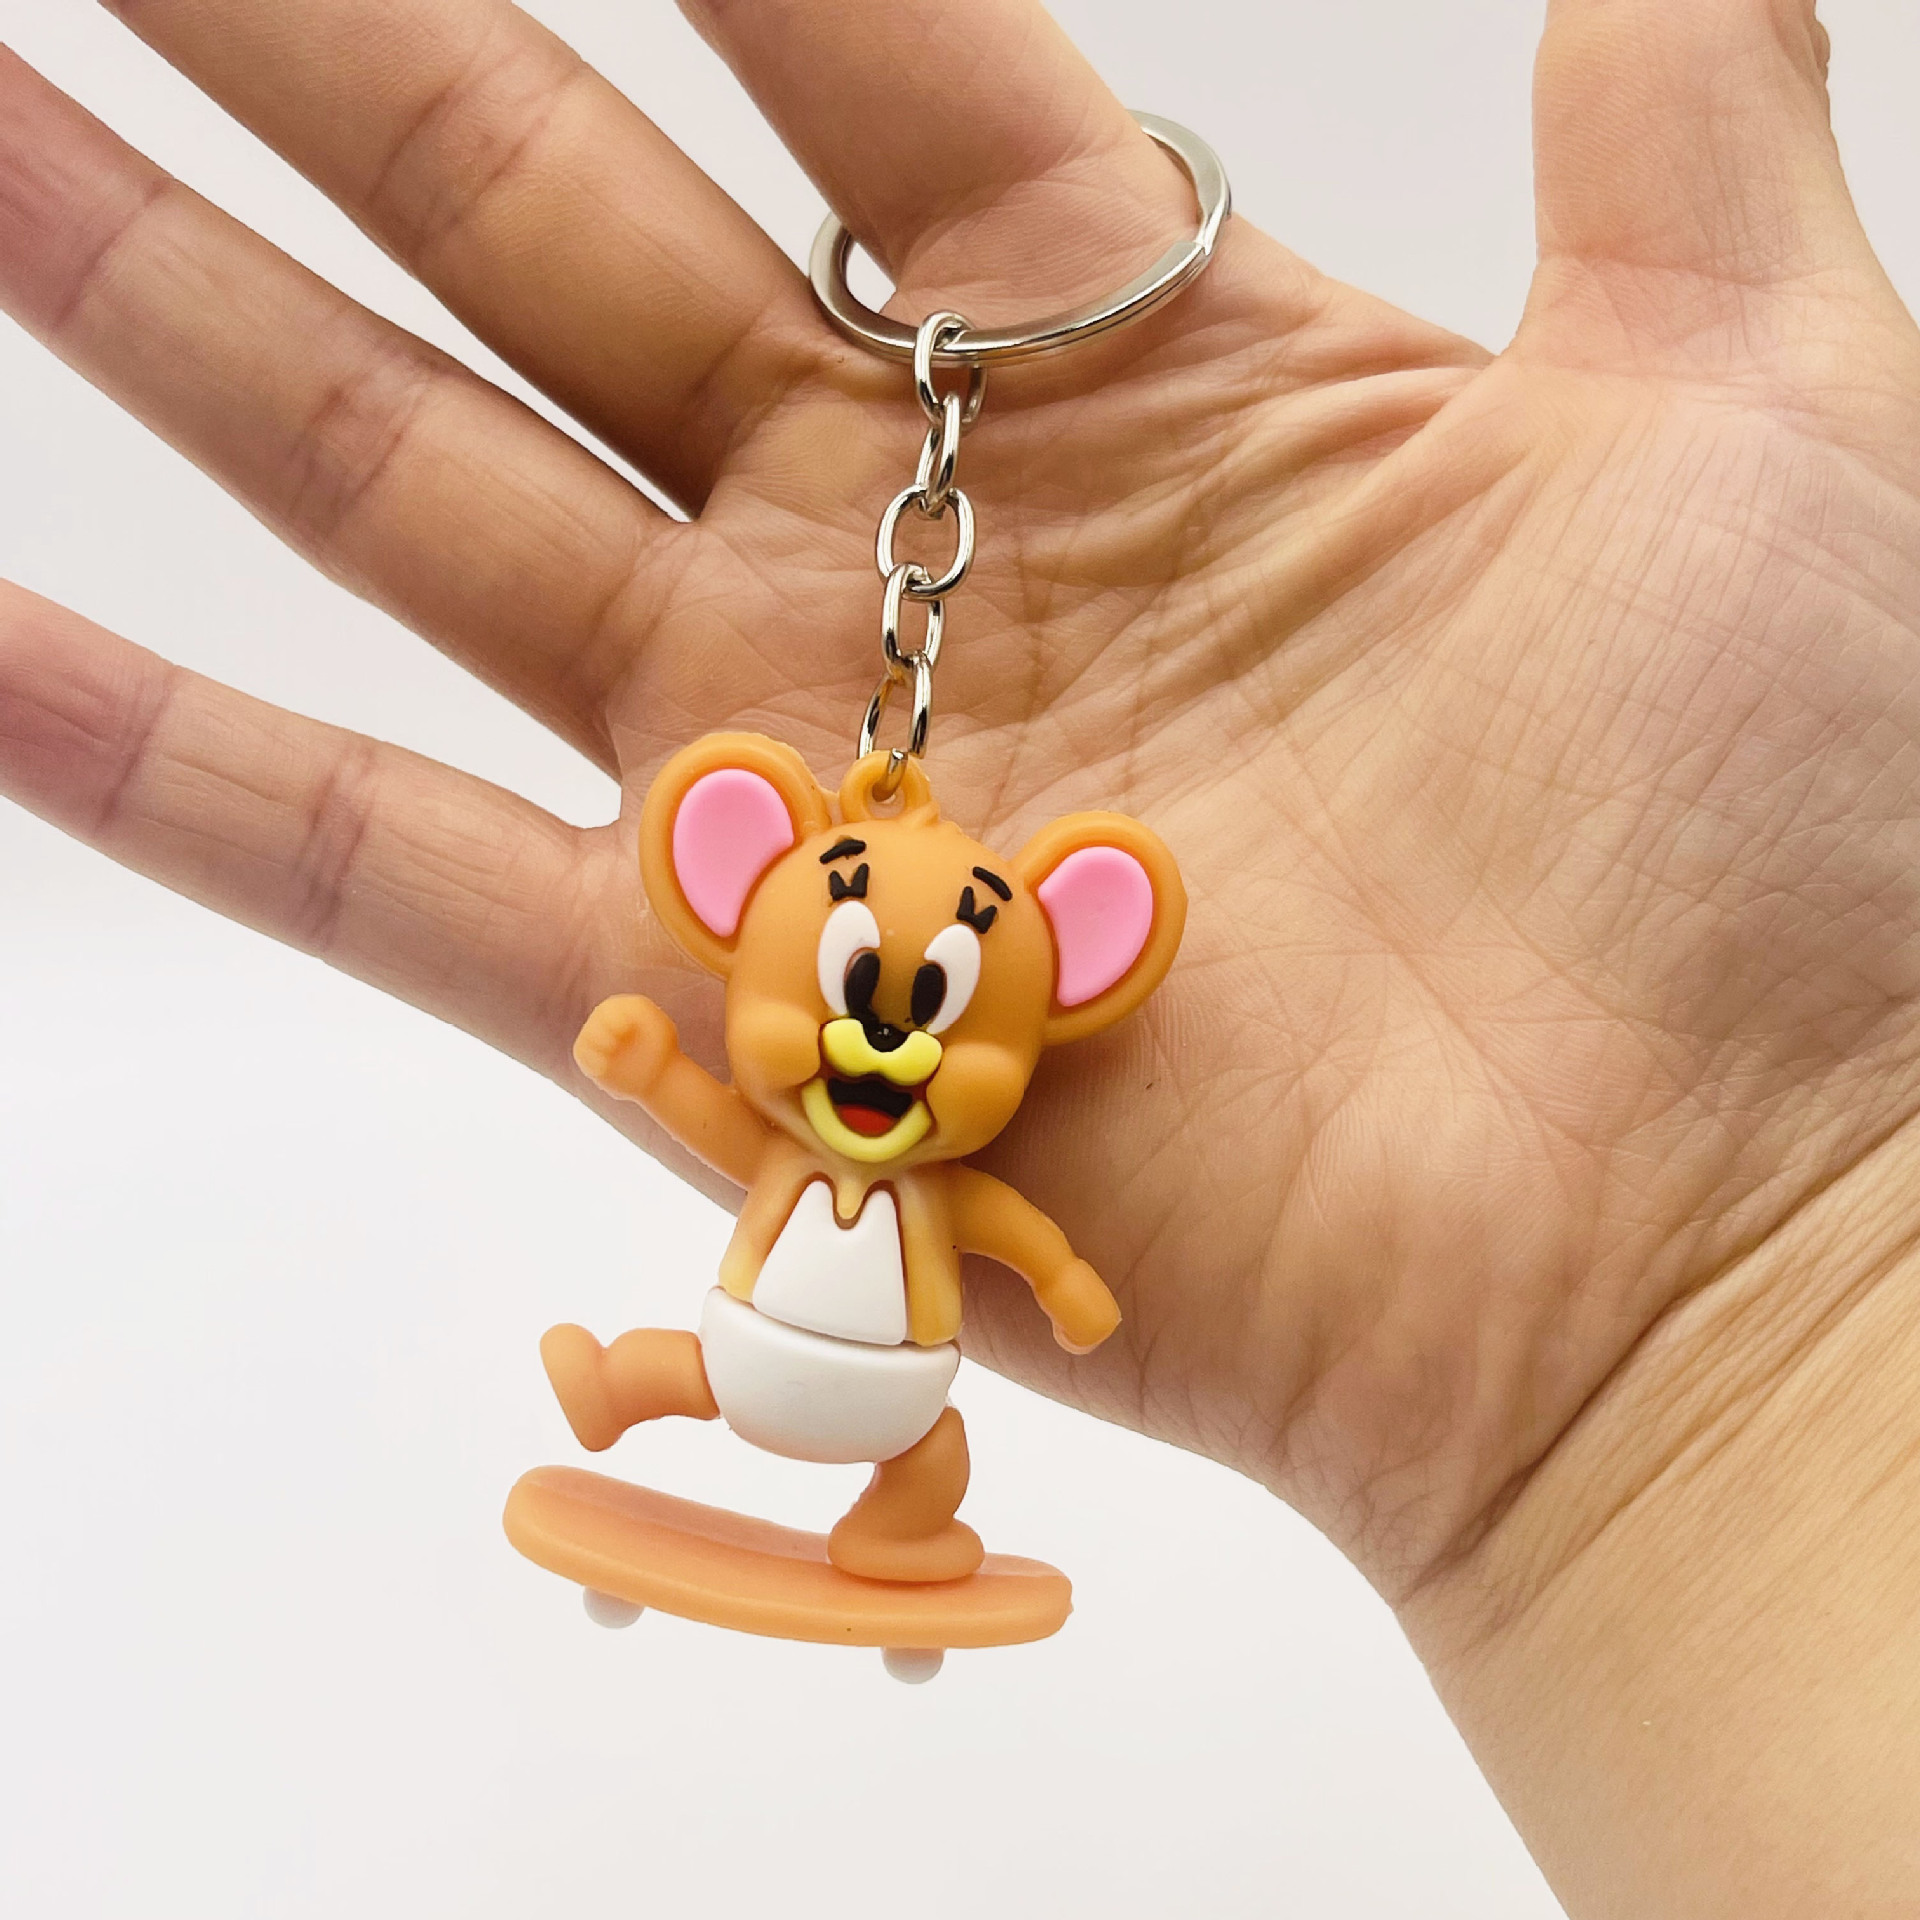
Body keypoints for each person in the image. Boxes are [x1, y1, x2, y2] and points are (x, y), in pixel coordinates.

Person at [2, 2, 1915, 1911]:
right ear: (732, 885)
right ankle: (621, 1396)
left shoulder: (944, 1162)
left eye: (937, 1020)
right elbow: (735, 1111)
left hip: (893, 1379)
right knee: (702, 1371)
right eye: (852, 1000)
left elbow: (1003, 1225)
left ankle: (891, 1539)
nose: (891, 1051)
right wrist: (656, 1064)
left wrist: (1071, 1277)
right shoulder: (819, 1114)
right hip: (793, 1335)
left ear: (1077, 971)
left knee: (899, 1454)